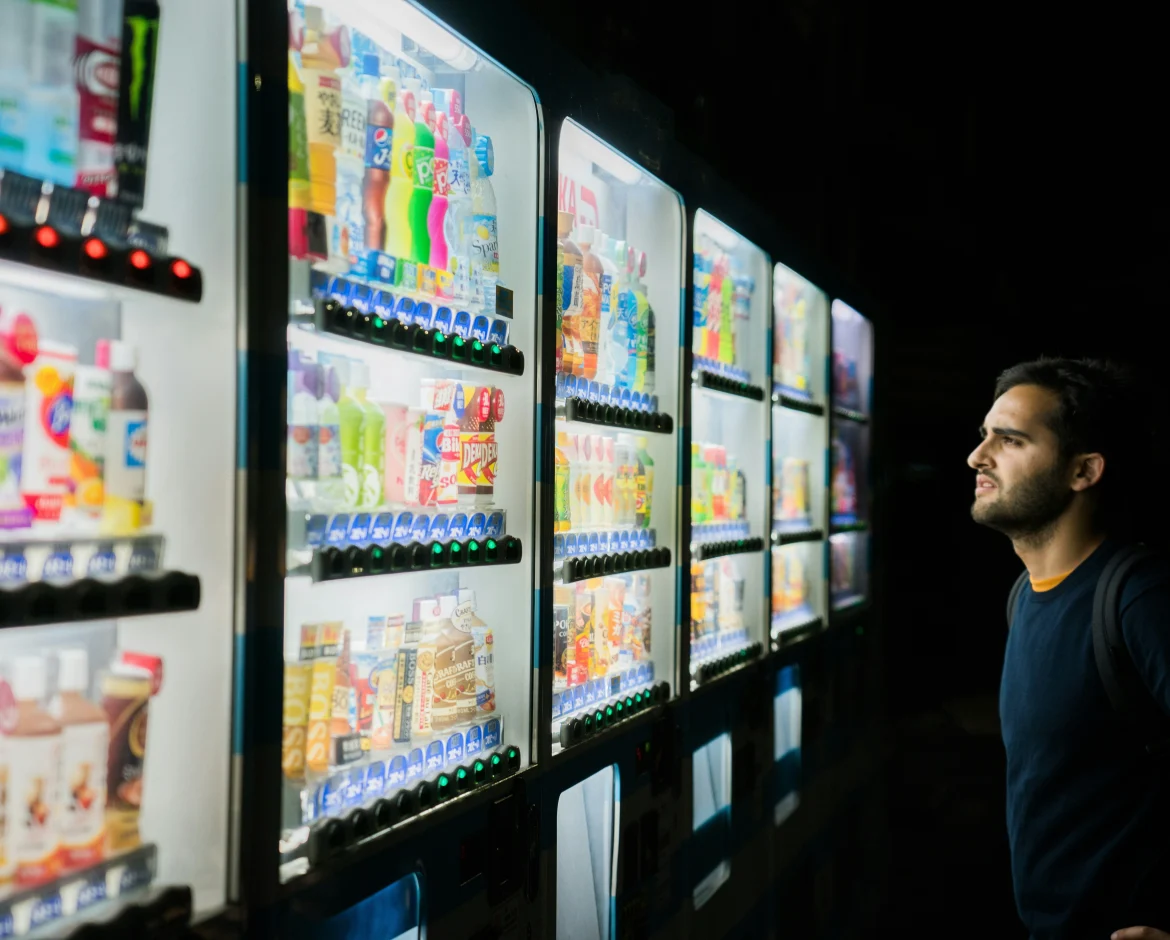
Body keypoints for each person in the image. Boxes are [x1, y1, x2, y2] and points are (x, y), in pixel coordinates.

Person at [967, 357, 1170, 940]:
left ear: (1084, 471)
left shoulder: (1139, 598)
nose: (977, 457)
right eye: (985, 436)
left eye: (1010, 440)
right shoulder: (1024, 595)